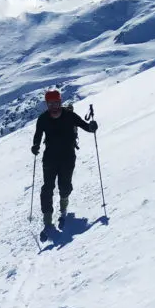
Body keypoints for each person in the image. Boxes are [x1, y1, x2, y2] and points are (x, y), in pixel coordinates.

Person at [31, 89, 98, 227]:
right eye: (50, 104)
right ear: (47, 104)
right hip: (50, 158)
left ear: (60, 102)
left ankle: (63, 205)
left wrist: (92, 127)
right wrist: (35, 145)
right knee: (47, 188)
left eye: (56, 103)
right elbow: (38, 135)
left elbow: (84, 126)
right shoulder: (42, 119)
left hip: (67, 157)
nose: (53, 106)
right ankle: (47, 218)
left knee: (65, 186)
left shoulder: (70, 115)